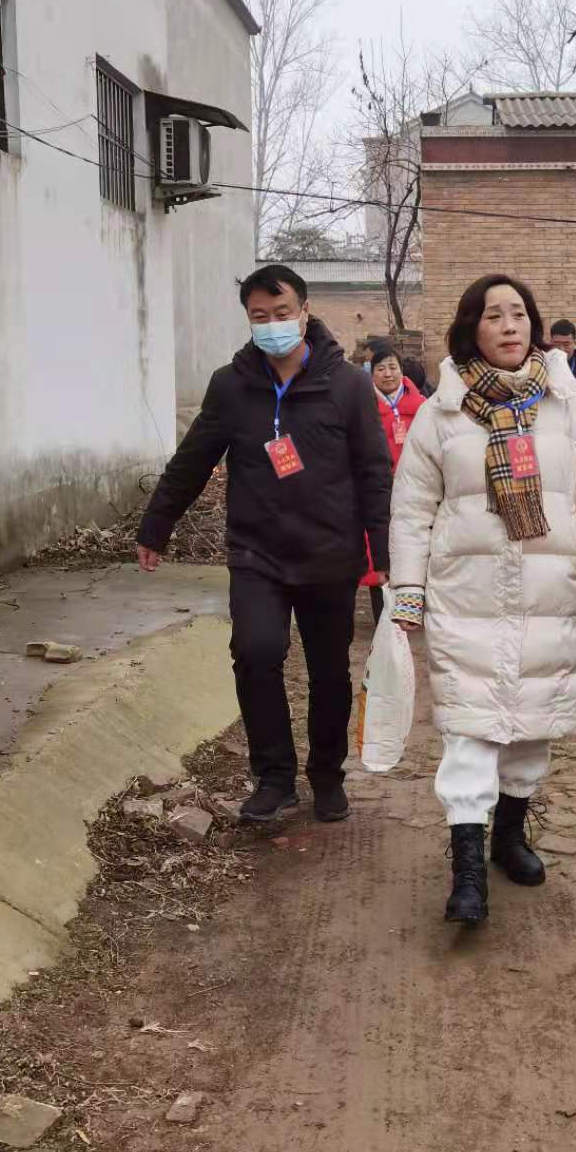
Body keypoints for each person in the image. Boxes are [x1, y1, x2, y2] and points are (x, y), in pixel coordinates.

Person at [389, 274, 576, 924]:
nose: (509, 326)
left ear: (533, 325)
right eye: (494, 315)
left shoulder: (564, 403)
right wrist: (408, 589)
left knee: (531, 729)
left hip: (549, 596)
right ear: (471, 328)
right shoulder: (441, 413)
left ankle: (509, 837)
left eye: (519, 314)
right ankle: (468, 871)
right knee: (470, 732)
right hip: (464, 597)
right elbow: (411, 510)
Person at [136, 263, 393, 825]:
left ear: (304, 312)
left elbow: (374, 471)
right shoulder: (232, 386)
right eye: (260, 316)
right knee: (254, 654)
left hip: (329, 553)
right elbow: (193, 460)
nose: (272, 324)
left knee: (330, 671)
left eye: (282, 313)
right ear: (248, 320)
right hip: (258, 553)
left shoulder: (348, 385)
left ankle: (327, 775)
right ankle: (274, 777)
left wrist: (383, 553)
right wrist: (157, 525)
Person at [359, 346, 427, 624]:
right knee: (380, 551)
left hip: (416, 488)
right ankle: (384, 617)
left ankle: (415, 612)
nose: (388, 374)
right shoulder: (364, 407)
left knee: (415, 548)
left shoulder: (421, 406)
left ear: (401, 370)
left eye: (392, 367)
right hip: (379, 490)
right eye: (381, 368)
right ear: (372, 374)